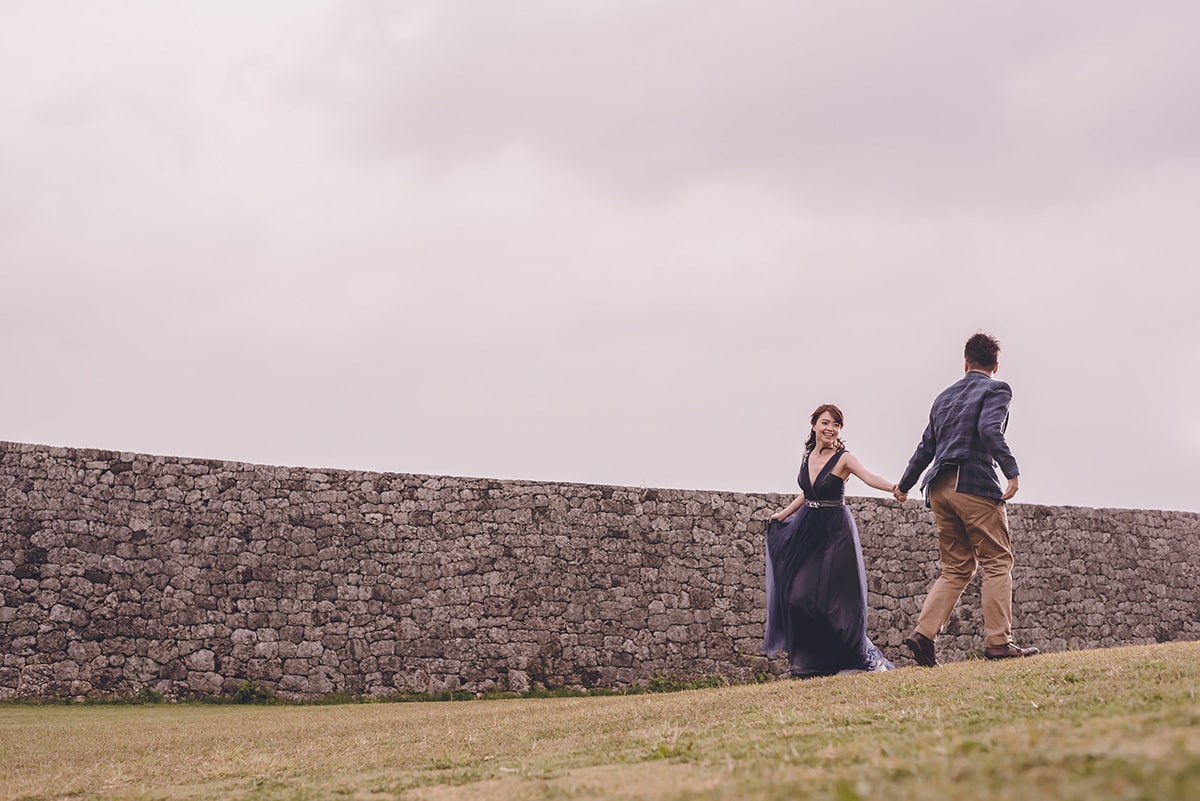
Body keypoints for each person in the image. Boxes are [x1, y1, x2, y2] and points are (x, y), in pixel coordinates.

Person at [896, 332, 1039, 666]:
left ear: (965, 362)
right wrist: (1011, 471)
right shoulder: (996, 389)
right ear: (996, 365)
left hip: (938, 489)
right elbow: (990, 431)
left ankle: (924, 634)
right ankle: (998, 642)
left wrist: (905, 484)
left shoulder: (943, 397)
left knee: (957, 567)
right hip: (971, 481)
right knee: (997, 560)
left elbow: (925, 447)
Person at [763, 403, 902, 678]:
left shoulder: (843, 458)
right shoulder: (807, 455)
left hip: (836, 532)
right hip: (808, 529)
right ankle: (812, 664)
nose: (831, 429)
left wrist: (894, 488)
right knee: (798, 598)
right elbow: (807, 492)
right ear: (814, 424)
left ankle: (860, 660)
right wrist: (783, 514)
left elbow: (869, 476)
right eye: (825, 423)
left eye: (836, 425)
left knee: (837, 604)